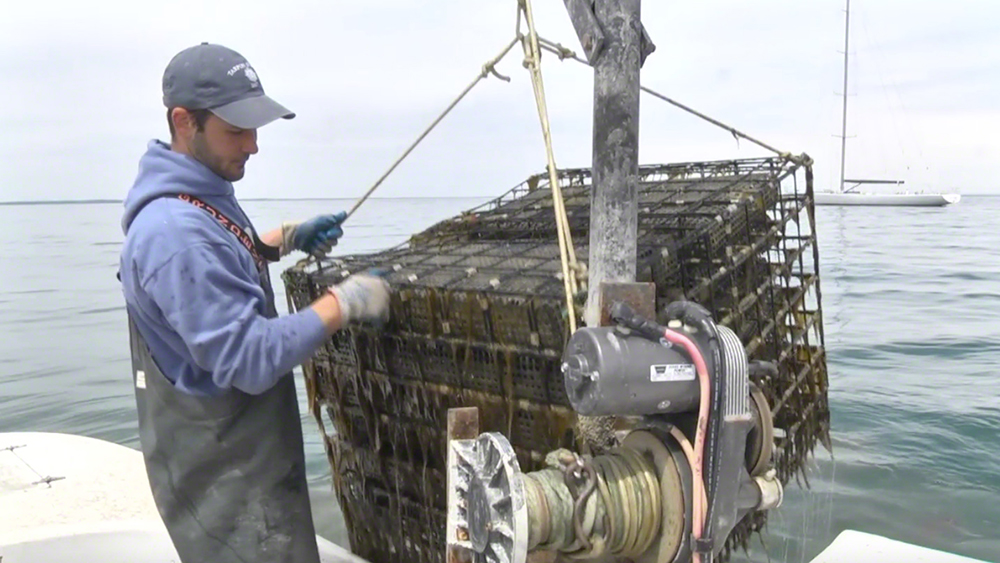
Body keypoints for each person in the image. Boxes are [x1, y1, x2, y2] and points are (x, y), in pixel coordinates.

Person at [118, 42, 390, 562]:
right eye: (236, 130)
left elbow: (213, 265)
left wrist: (280, 240)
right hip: (227, 492)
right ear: (184, 122)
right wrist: (345, 302)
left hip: (245, 466)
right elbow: (250, 358)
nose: (253, 145)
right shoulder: (173, 234)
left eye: (255, 128)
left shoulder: (198, 197)